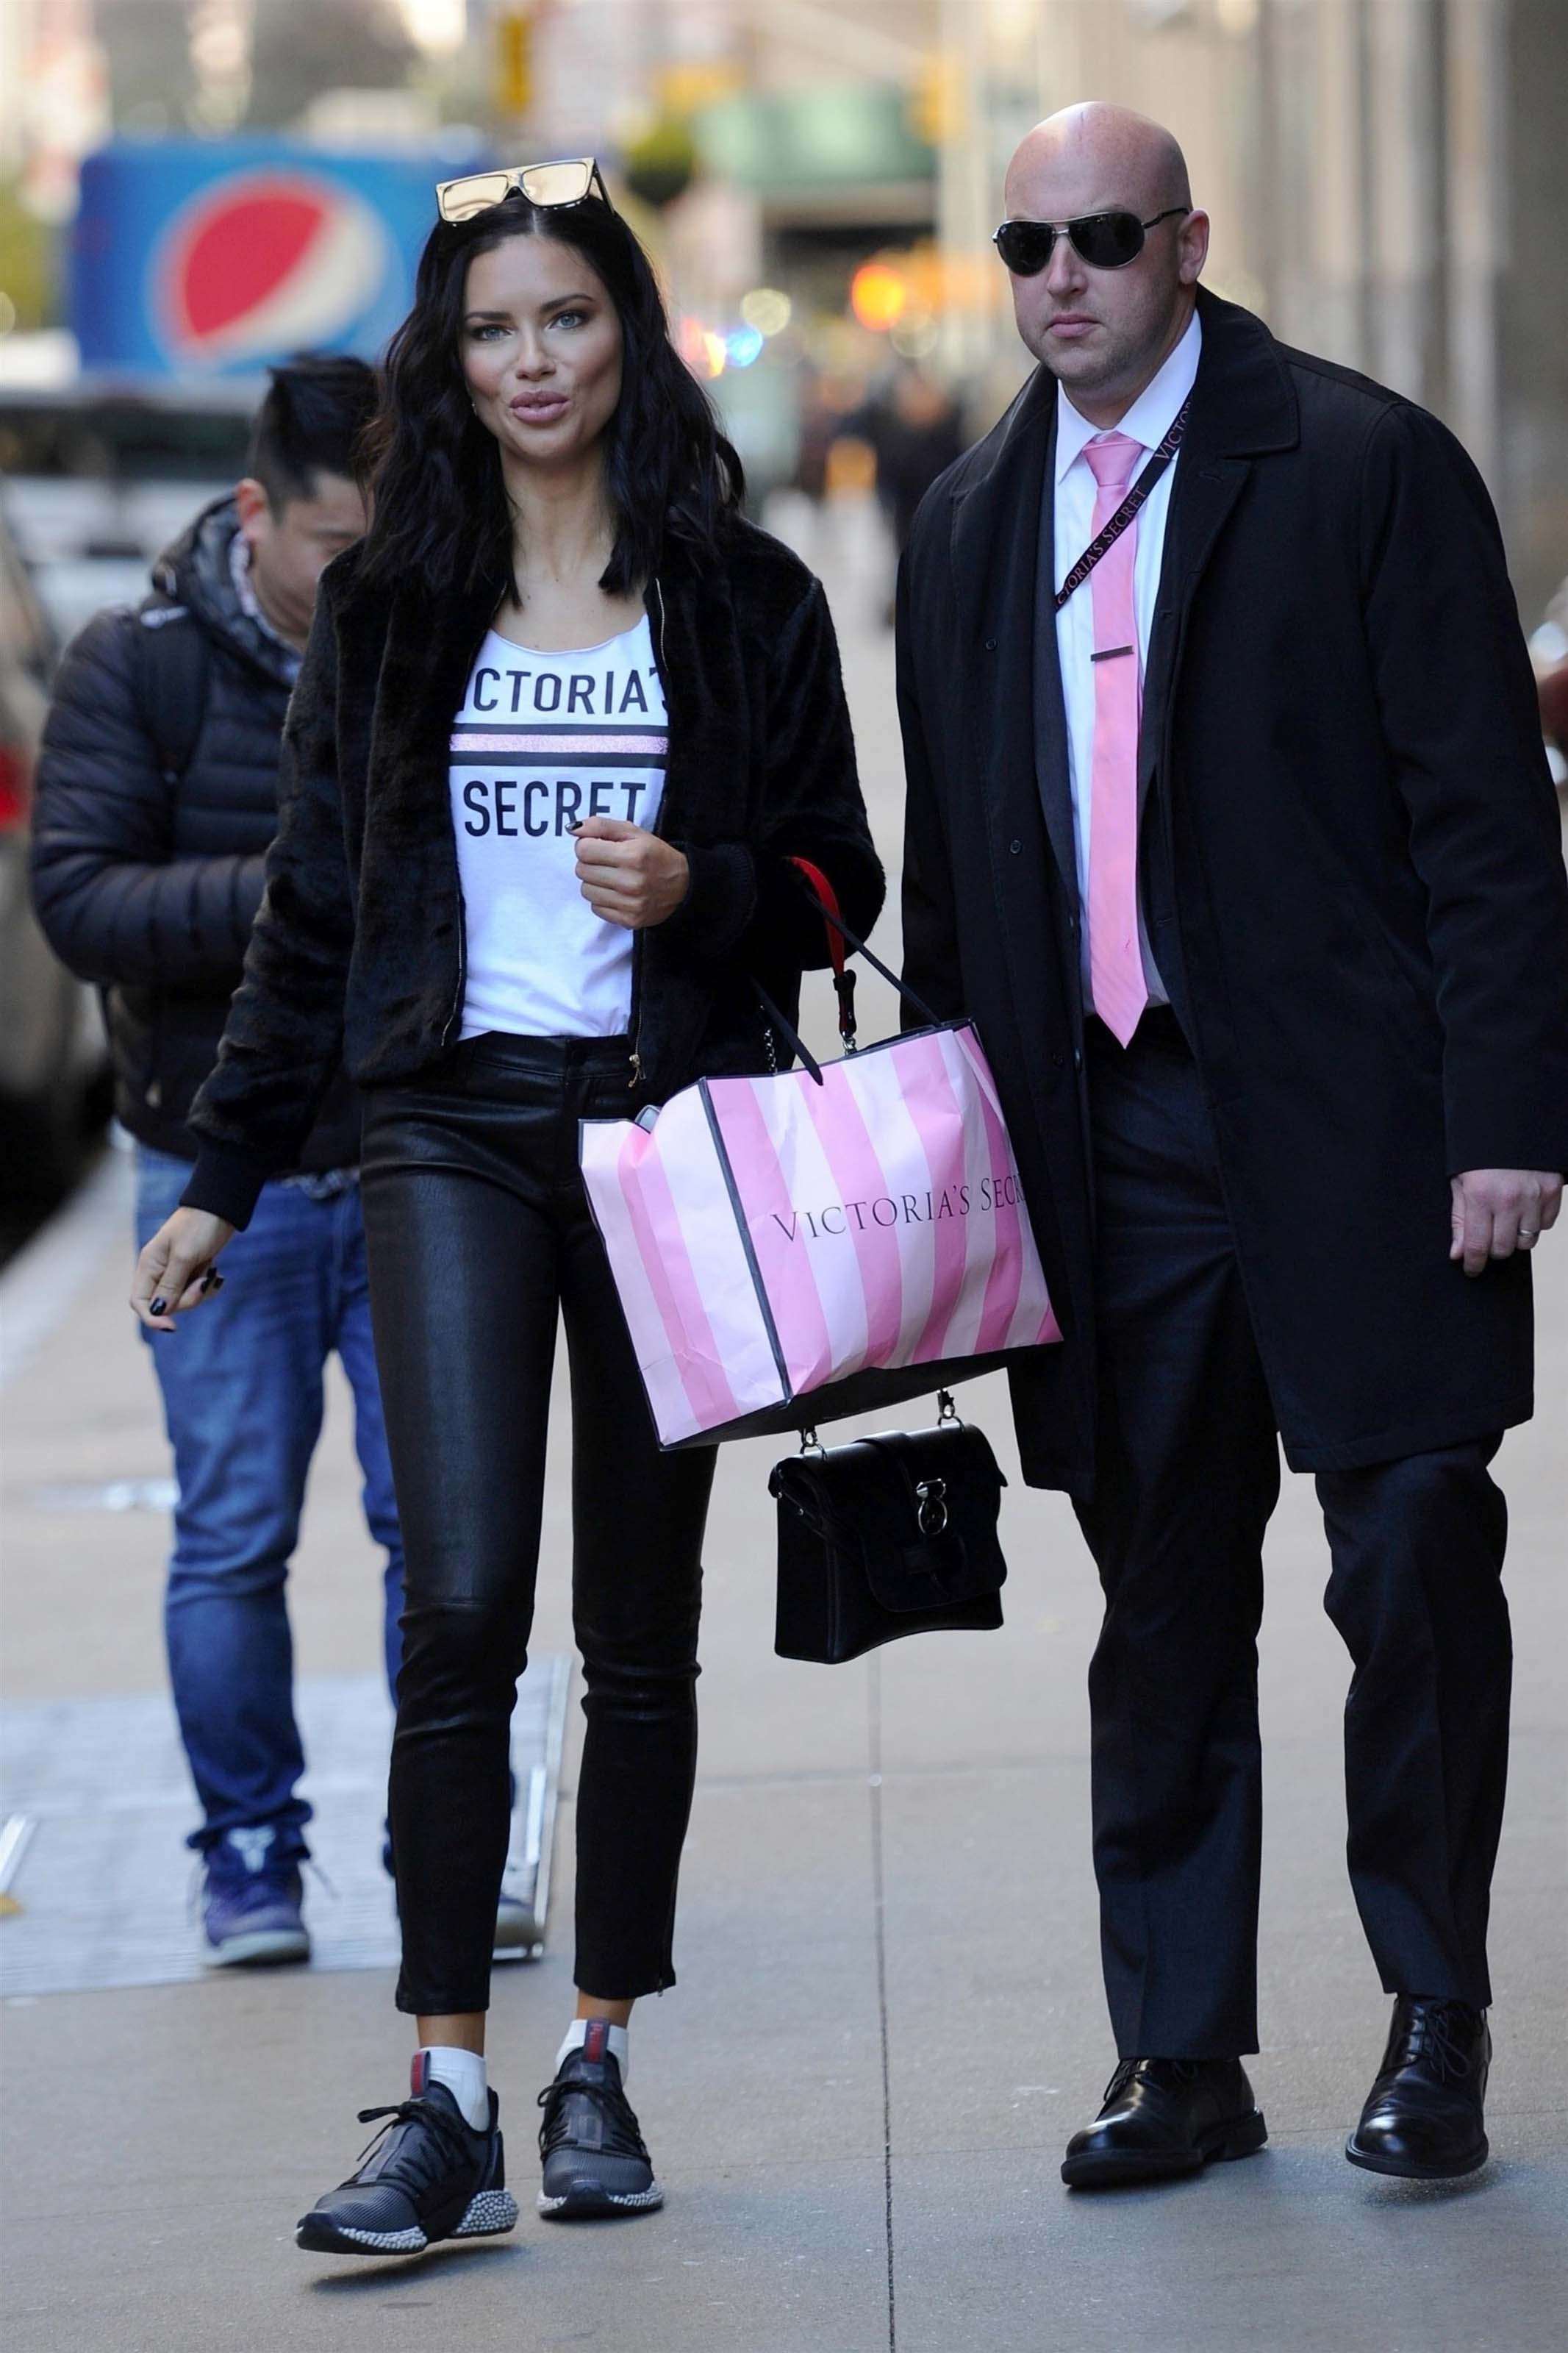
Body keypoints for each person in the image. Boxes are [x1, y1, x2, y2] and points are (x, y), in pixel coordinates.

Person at [131, 158, 883, 2254]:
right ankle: (442, 2086)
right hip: (445, 1138)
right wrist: (219, 1176)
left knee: (635, 1636)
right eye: (490, 330)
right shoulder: (388, 611)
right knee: (458, 1606)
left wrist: (707, 890)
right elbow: (311, 921)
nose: (530, 360)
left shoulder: (742, 598)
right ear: (442, 369)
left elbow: (842, 876)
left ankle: (598, 2064)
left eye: (563, 319)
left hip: (658, 1144)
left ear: (622, 336)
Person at [895, 102, 1568, 2190]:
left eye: (1100, 233)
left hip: (1357, 1131)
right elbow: (954, 864)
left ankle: (1431, 2012)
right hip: (1104, 1140)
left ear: (1189, 238)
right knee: (1160, 1605)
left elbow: (1482, 826)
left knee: (1413, 1555)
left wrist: (1504, 1121)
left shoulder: (1359, 462)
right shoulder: (970, 514)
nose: (1058, 277)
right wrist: (960, 1174)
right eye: (1024, 244)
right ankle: (1179, 2054)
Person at [29, 355, 420, 1971]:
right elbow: (79, 901)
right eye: (337, 546)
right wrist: (290, 891)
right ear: (256, 514)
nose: (363, 578)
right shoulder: (140, 664)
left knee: (441, 1532)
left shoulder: (425, 638)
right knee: (232, 1530)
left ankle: (439, 1841)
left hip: (408, 1162)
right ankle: (248, 1853)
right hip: (214, 1174)